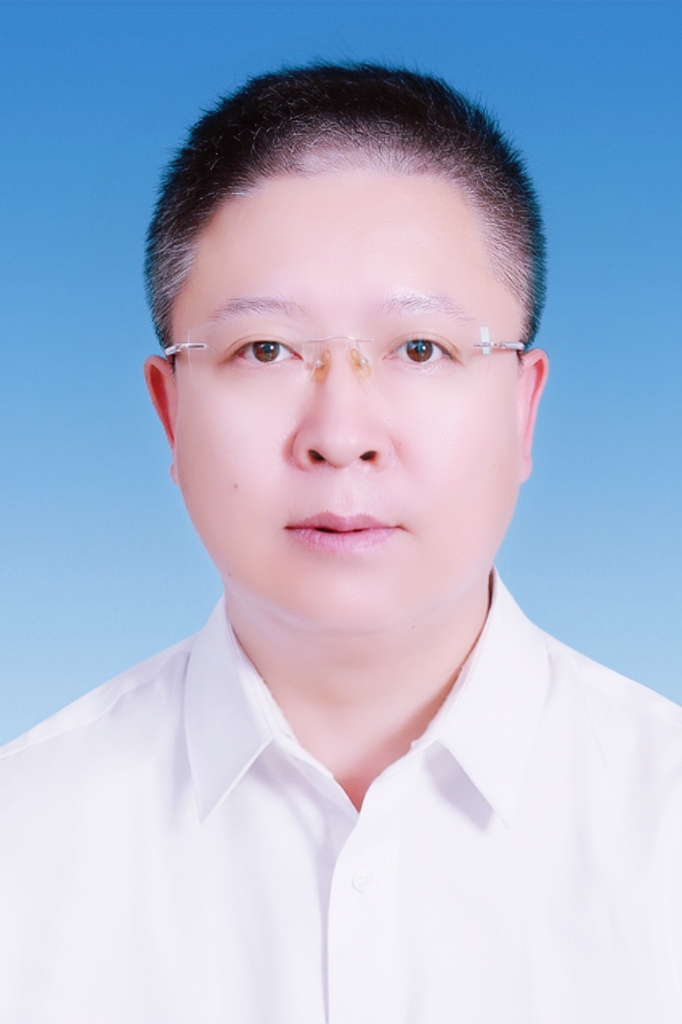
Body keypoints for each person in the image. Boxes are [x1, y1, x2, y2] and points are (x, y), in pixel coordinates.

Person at [1, 63, 680, 1024]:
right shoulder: (24, 844)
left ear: (523, 409)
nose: (342, 433)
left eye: (420, 348)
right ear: (170, 412)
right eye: (266, 350)